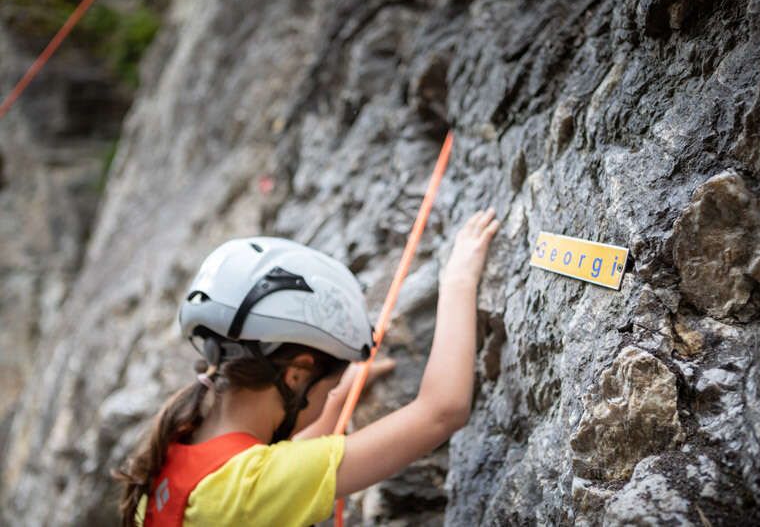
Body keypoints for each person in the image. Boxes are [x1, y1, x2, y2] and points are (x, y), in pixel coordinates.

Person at [114, 208, 500, 527]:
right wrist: (458, 279)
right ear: (296, 374)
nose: (329, 397)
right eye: (328, 389)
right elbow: (443, 411)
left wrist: (337, 400)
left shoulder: (172, 457)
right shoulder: (251, 489)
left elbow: (278, 470)